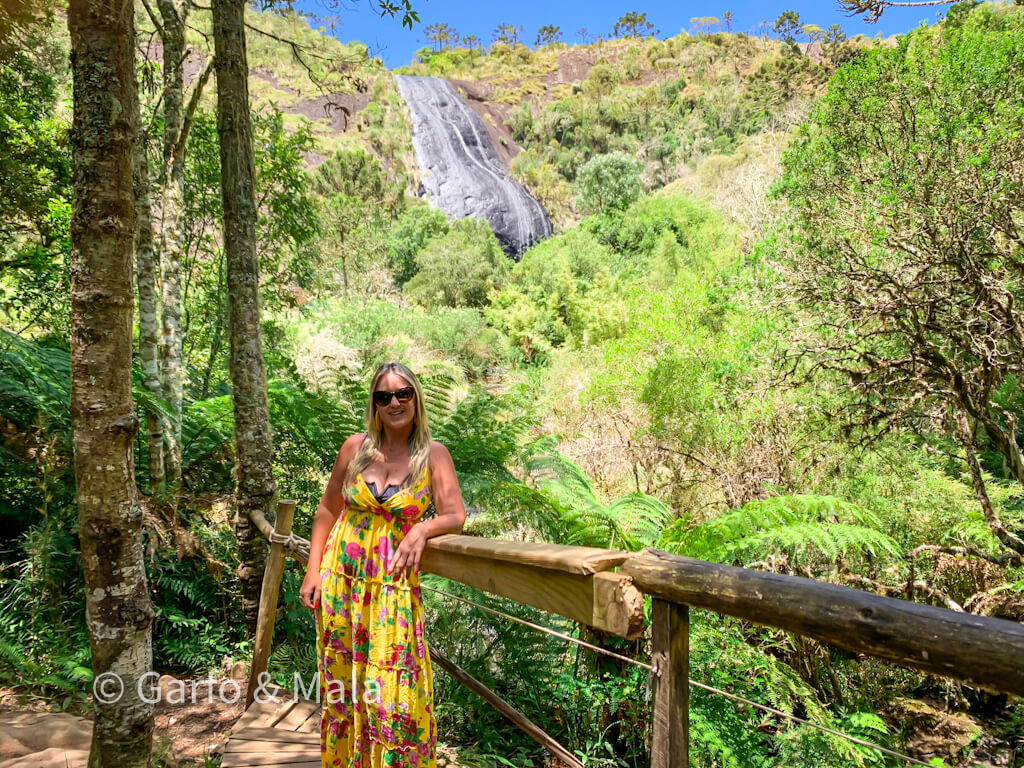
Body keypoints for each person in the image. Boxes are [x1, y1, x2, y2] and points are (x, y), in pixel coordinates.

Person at [300, 362, 467, 768]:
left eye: (403, 393)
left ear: (416, 398)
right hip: (341, 584)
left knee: (393, 691)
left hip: (392, 589)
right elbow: (327, 509)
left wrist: (423, 529)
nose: (394, 402)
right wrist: (312, 569)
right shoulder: (355, 448)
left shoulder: (433, 454)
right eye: (384, 396)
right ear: (374, 404)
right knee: (343, 680)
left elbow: (455, 515)